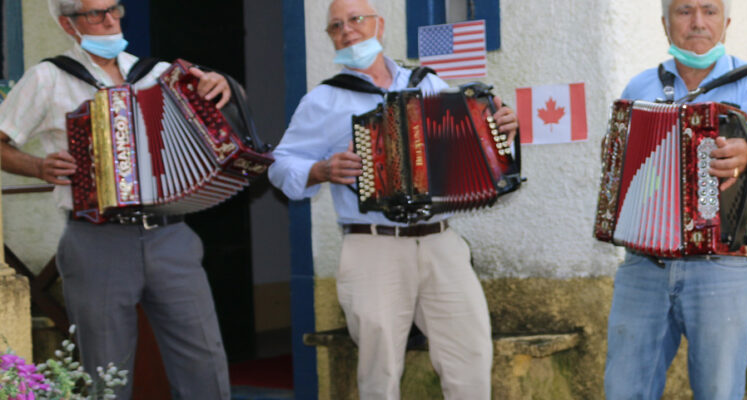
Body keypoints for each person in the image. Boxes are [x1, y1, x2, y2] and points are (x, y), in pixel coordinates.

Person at [268, 0, 519, 398]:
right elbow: (279, 167)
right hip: (372, 246)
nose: (346, 30)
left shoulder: (428, 84)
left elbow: (476, 143)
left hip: (440, 241)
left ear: (379, 25)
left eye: (355, 19)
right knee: (379, 370)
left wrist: (502, 127)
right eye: (335, 26)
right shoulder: (323, 100)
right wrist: (321, 170)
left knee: (471, 355)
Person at [0, 0, 232, 398]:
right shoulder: (48, 77)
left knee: (204, 364)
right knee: (107, 373)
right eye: (95, 13)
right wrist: (39, 167)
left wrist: (222, 85)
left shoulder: (158, 75)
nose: (109, 20)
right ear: (68, 25)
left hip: (170, 234)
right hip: (96, 239)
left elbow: (214, 122)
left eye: (114, 9)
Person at [604, 0, 747, 398]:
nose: (698, 23)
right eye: (684, 11)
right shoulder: (640, 87)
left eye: (709, 10)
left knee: (719, 391)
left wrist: (746, 153)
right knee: (623, 389)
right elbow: (623, 164)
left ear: (726, 22)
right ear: (665, 23)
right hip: (643, 266)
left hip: (721, 265)